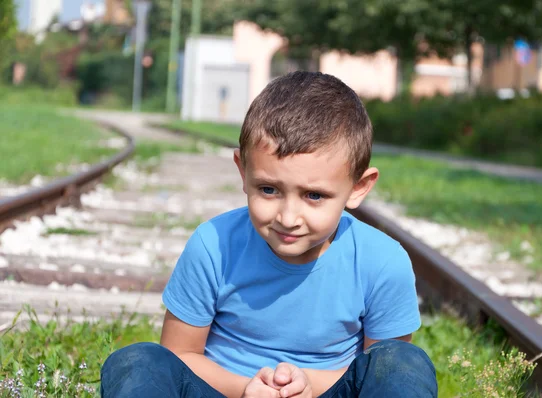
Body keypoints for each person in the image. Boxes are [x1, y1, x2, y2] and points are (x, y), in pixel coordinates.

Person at [101, 71, 437, 398]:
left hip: (325, 393)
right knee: (136, 361)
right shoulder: (213, 245)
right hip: (228, 391)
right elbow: (179, 356)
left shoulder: (382, 261)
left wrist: (306, 384)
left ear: (358, 188)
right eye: (268, 189)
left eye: (314, 196)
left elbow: (380, 371)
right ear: (242, 172)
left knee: (405, 362)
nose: (288, 217)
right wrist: (246, 388)